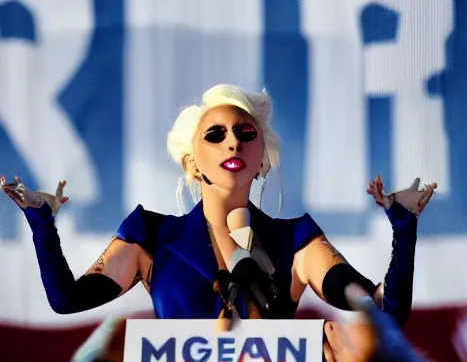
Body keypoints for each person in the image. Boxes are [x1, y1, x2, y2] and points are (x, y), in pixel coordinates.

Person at [0, 84, 436, 324]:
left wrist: (404, 227)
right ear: (192, 163)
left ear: (262, 159)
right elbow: (67, 300)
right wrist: (41, 223)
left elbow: (385, 309)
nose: (232, 141)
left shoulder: (296, 240)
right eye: (216, 134)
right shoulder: (150, 234)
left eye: (246, 134)